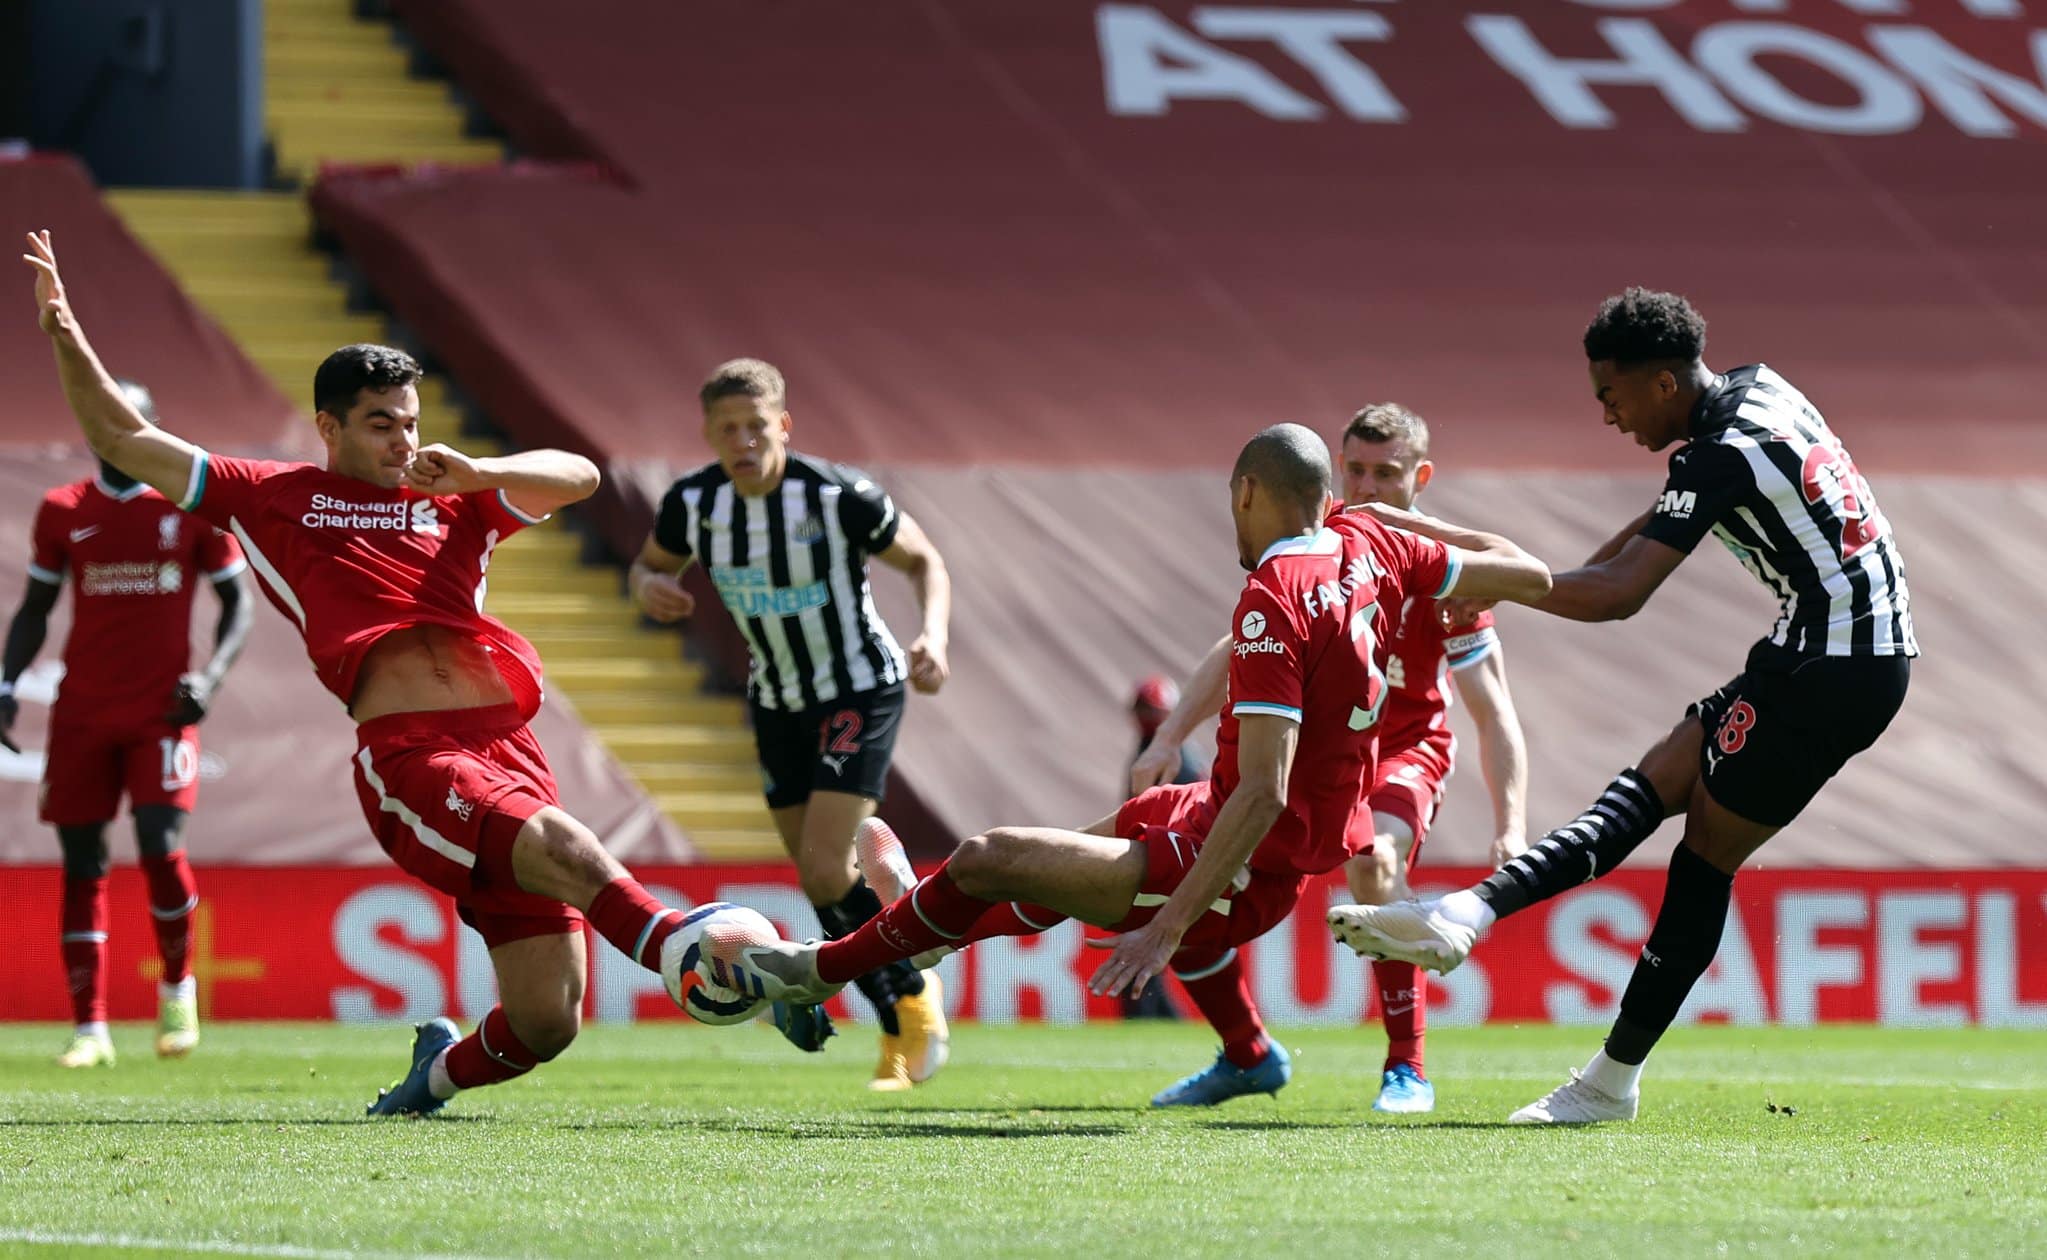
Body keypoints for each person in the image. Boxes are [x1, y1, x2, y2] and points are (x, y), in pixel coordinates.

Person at [25, 230, 717, 1117]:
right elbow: (123, 434)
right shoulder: (270, 496)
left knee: (548, 1021)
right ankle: (684, 952)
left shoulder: (450, 495)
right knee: (569, 847)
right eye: (381, 423)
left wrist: (483, 470)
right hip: (411, 753)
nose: (403, 441)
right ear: (329, 426)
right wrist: (61, 328)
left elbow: (579, 475)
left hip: (508, 743)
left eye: (411, 422)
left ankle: (427, 1080)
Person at [702, 424, 1553, 1111]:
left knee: (988, 857)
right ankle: (912, 935)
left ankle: (818, 971)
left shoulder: (1273, 600)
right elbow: (1531, 571)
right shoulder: (1373, 543)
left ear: (1247, 495)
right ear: (1329, 498)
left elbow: (1262, 792)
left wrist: (1169, 927)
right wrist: (1406, 524)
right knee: (1044, 872)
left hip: (1243, 857)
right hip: (1211, 810)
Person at [1329, 287, 1915, 1124]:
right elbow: (1645, 533)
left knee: (1703, 854)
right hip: (1824, 651)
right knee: (1659, 776)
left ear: (1662, 383)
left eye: (1611, 395)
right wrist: (1507, 562)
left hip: (1835, 668)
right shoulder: (1756, 394)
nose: (1607, 416)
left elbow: (1617, 596)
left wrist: (1466, 574)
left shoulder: (1718, 454)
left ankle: (1607, 1080)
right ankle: (1467, 913)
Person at [1134, 403, 1529, 1112]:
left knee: (1374, 859)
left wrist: (1510, 824)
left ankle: (1405, 1067)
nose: (1369, 486)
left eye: (1387, 472)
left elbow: (1493, 712)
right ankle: (1246, 1053)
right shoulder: (1327, 541)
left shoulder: (1445, 578)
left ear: (1422, 477)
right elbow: (1240, 649)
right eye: (1355, 470)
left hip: (1404, 752)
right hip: (1318, 757)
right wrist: (1169, 737)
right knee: (1196, 877)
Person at [628, 358, 953, 1091]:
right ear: (709, 434)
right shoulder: (694, 503)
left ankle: (910, 997)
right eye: (726, 429)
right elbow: (646, 567)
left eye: (755, 425)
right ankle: (899, 1004)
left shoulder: (837, 496)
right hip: (775, 697)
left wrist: (932, 635)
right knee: (823, 877)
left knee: (818, 860)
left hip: (858, 688)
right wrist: (650, 585)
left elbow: (924, 560)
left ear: (783, 424)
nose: (742, 440)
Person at [2, 384, 253, 1068]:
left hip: (162, 713)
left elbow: (239, 604)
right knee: (83, 865)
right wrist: (5, 684)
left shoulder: (188, 506)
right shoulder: (63, 510)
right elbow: (35, 609)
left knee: (157, 843)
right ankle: (91, 1029)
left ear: (149, 427)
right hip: (82, 713)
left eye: (131, 418)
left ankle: (177, 987)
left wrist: (209, 679)